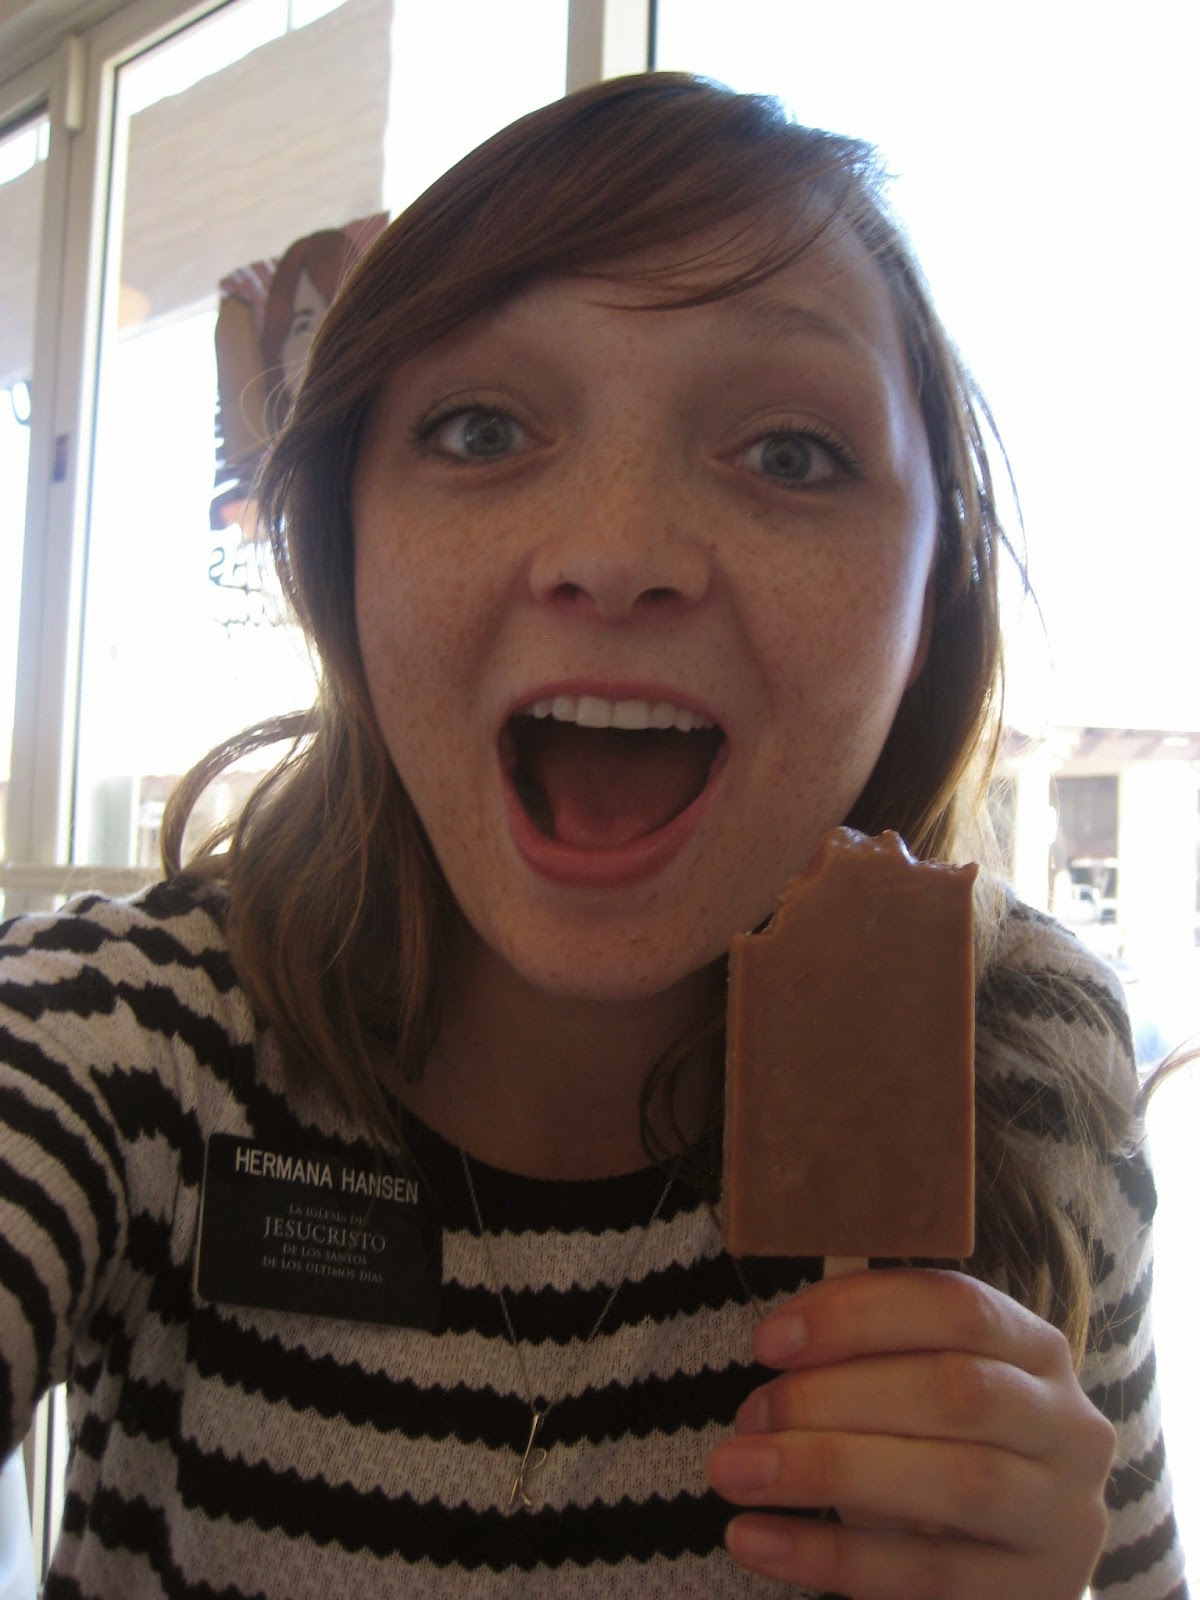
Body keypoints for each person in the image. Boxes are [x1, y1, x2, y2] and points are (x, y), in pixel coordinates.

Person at [0, 72, 1187, 1600]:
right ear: (348, 548)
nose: (616, 555)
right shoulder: (124, 1039)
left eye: (791, 453)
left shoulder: (1020, 1063)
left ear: (931, 593)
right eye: (481, 427)